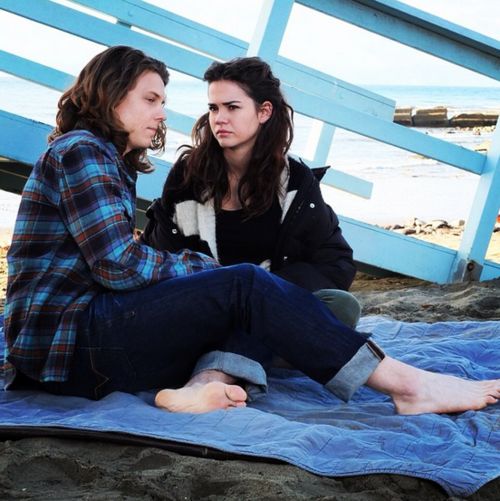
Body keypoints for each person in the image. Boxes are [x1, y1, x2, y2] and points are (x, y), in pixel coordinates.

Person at [4, 46, 499, 417]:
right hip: (70, 346)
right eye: (151, 99)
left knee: (254, 293)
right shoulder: (84, 151)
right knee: (243, 284)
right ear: (112, 96)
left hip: (73, 351)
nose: (161, 113)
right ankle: (408, 385)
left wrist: (228, 284)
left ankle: (208, 380)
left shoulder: (103, 156)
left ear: (264, 113)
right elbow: (120, 264)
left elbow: (332, 258)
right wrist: (212, 275)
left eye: (163, 100)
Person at [141, 57, 361, 329]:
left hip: (269, 310)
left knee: (341, 306)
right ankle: (247, 353)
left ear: (264, 112)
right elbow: (162, 257)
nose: (219, 119)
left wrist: (261, 288)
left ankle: (239, 351)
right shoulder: (188, 177)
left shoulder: (295, 182)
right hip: (205, 311)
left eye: (232, 107)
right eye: (213, 108)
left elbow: (335, 263)